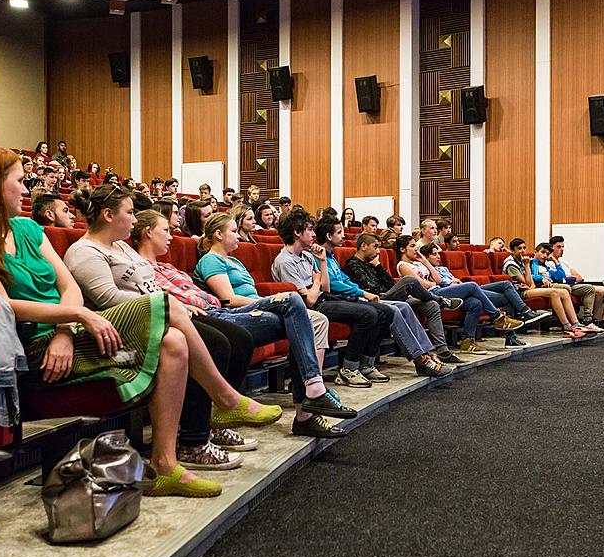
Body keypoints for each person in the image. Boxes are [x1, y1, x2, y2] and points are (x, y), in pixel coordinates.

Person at [0, 146, 279, 497]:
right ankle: (225, 399)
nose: (26, 191)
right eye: (20, 182)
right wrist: (78, 316)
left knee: (174, 341)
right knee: (170, 308)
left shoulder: (27, 228)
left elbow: (68, 286)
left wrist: (66, 330)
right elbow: (2, 304)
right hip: (26, 345)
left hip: (65, 332)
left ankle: (165, 464)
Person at [63, 190, 275, 468]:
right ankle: (193, 442)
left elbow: (151, 282)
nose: (133, 220)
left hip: (160, 313)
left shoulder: (123, 247)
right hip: (127, 327)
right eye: (129, 213)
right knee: (215, 344)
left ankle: (216, 422)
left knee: (237, 338)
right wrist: (163, 304)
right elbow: (109, 300)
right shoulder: (84, 252)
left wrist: (174, 304)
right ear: (108, 215)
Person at [193, 213, 356, 437]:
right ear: (218, 235)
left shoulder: (235, 260)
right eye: (233, 231)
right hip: (236, 313)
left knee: (314, 321)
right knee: (292, 299)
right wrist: (268, 301)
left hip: (255, 309)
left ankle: (306, 413)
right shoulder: (211, 260)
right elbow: (228, 299)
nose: (237, 235)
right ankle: (314, 390)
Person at [315, 218, 454, 377]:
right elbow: (334, 284)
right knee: (398, 299)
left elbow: (348, 280)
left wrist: (377, 267)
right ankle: (420, 359)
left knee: (405, 306)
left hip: (367, 295)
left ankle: (428, 353)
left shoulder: (332, 258)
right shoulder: (336, 259)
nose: (343, 236)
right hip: (351, 298)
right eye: (339, 232)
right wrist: (363, 293)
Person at [343, 233, 465, 364]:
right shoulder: (353, 264)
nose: (378, 251)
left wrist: (378, 266)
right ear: (363, 246)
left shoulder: (372, 263)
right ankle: (440, 301)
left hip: (389, 296)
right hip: (376, 299)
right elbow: (371, 288)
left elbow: (390, 284)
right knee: (409, 281)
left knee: (431, 305)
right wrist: (377, 268)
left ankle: (442, 351)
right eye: (375, 247)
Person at [396, 238, 524, 355]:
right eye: (412, 246)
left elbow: (438, 279)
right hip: (431, 295)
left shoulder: (418, 263)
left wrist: (424, 261)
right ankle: (497, 318)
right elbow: (424, 285)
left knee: (475, 303)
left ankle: (467, 341)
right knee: (472, 286)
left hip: (438, 289)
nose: (416, 250)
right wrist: (431, 283)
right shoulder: (403, 266)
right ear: (403, 249)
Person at [419, 241, 548, 349]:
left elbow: (453, 280)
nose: (438, 257)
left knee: (506, 286)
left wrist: (454, 281)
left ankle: (515, 331)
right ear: (426, 257)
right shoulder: (426, 269)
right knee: (476, 301)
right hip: (455, 294)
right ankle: (501, 323)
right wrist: (451, 281)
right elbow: (438, 283)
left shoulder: (443, 268)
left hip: (469, 290)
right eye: (434, 254)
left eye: (438, 254)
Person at [501, 238, 588, 339]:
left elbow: (531, 285)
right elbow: (527, 284)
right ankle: (566, 326)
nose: (523, 251)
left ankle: (575, 323)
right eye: (519, 248)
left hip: (527, 289)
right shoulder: (511, 264)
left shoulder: (522, 261)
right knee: (554, 292)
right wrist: (527, 267)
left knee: (564, 292)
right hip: (517, 293)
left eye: (524, 248)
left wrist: (527, 271)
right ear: (512, 250)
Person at [530, 243, 604, 333]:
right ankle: (573, 322)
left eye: (547, 254)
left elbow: (561, 276)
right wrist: (541, 278)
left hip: (557, 284)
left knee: (589, 288)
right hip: (543, 286)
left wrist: (555, 261)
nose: (545, 255)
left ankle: (587, 320)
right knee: (566, 288)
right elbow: (530, 276)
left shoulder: (546, 266)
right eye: (543, 252)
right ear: (535, 251)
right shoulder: (532, 263)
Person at [548, 235, 604, 327]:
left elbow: (579, 277)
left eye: (563, 247)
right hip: (566, 287)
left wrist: (568, 277)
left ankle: (603, 318)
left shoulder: (564, 262)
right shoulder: (549, 263)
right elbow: (559, 278)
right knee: (601, 291)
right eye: (558, 247)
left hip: (575, 284)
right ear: (551, 248)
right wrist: (569, 277)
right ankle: (592, 318)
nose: (562, 249)